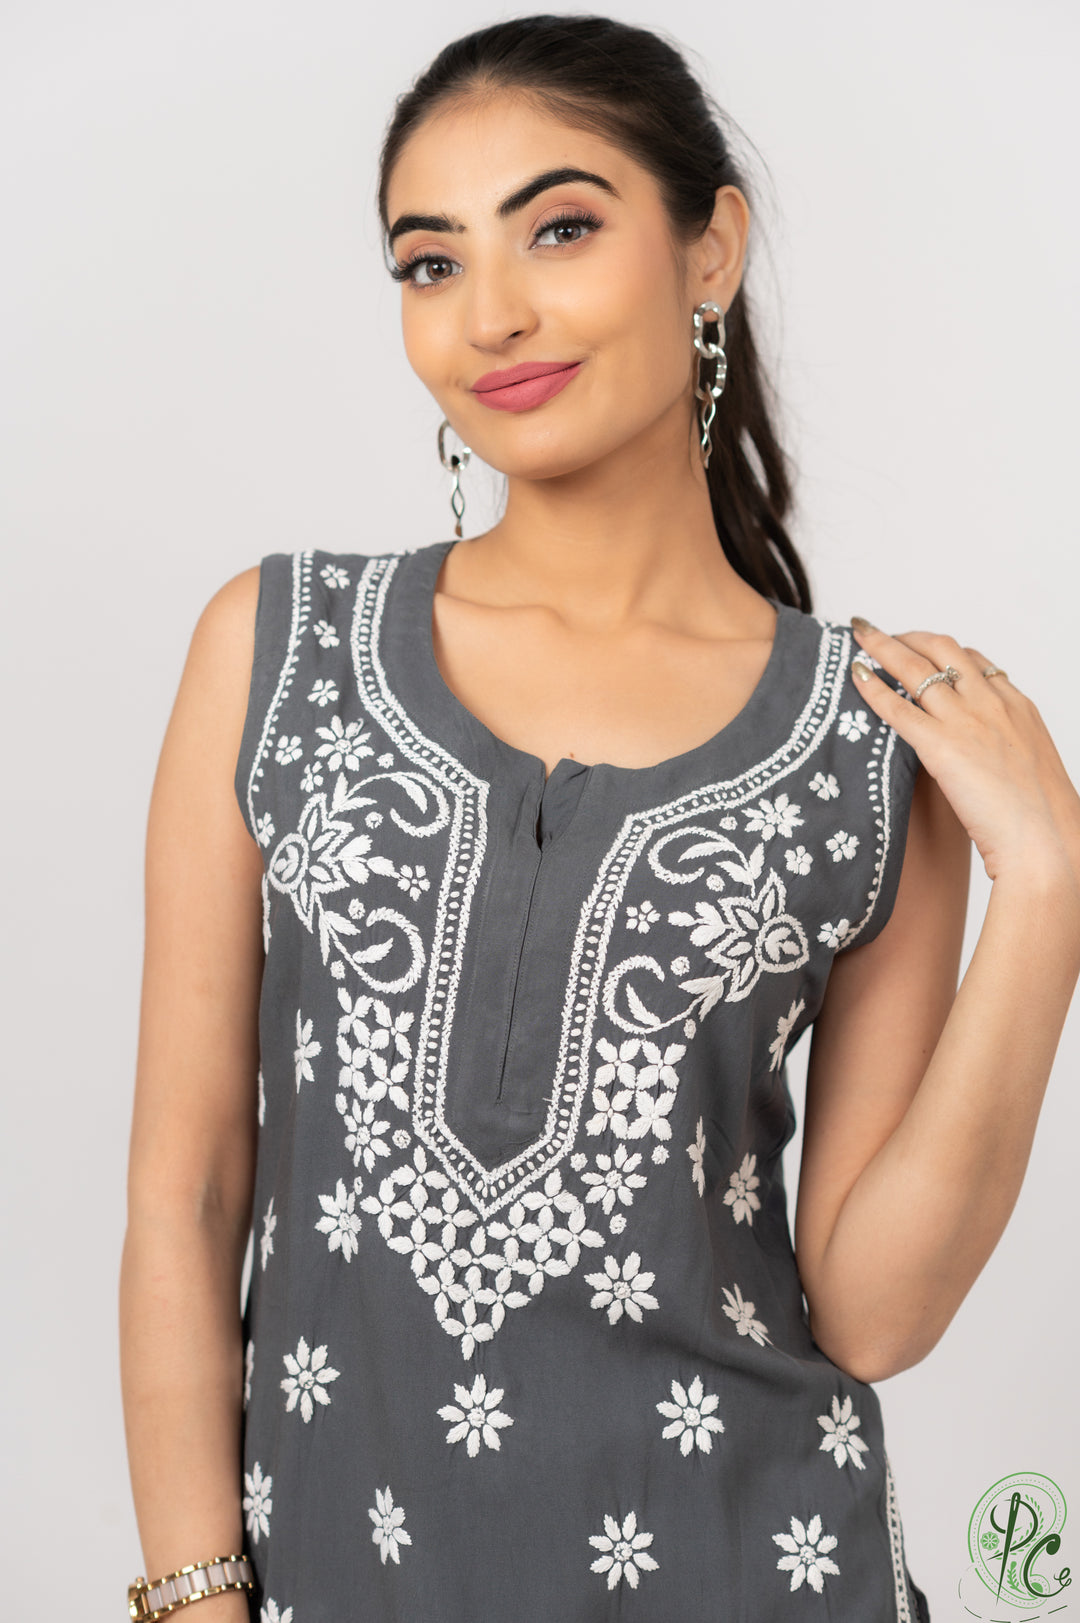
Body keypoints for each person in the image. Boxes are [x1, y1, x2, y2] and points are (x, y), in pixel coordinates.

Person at [118, 14, 1080, 1622]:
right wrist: (193, 1598)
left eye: (559, 229)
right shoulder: (276, 653)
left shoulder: (865, 743)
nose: (489, 313)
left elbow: (873, 1314)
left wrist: (1046, 885)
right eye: (431, 263)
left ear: (711, 251)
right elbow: (188, 1189)